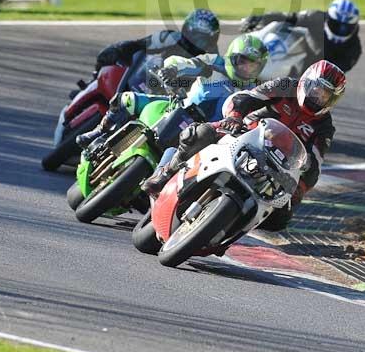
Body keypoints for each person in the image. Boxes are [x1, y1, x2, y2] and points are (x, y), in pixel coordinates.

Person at [143, 60, 346, 231]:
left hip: (276, 165)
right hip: (244, 133)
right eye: (317, 90)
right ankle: (166, 172)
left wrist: (300, 187)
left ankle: (229, 226)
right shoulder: (285, 86)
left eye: (325, 96)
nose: (318, 98)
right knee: (200, 133)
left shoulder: (324, 126)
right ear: (307, 82)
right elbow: (248, 97)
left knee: (280, 219)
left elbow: (316, 162)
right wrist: (235, 116)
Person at [78, 33, 268, 150]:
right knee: (125, 99)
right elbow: (186, 63)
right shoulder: (215, 63)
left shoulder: (254, 90)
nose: (245, 68)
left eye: (252, 65)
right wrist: (171, 69)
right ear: (232, 57)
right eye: (242, 61)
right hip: (180, 108)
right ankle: (98, 132)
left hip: (207, 135)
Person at [240, 0, 361, 74]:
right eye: (336, 24)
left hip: (319, 74)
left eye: (346, 27)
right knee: (281, 29)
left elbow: (334, 74)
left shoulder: (354, 49)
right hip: (304, 51)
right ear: (328, 18)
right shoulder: (315, 17)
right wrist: (259, 17)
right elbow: (288, 17)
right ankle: (250, 53)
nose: (341, 30)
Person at [95, 8, 220, 70]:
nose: (200, 44)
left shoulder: (213, 58)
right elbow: (137, 44)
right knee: (110, 61)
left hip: (173, 102)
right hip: (145, 84)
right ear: (187, 31)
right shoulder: (169, 38)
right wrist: (118, 51)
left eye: (205, 39)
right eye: (197, 37)